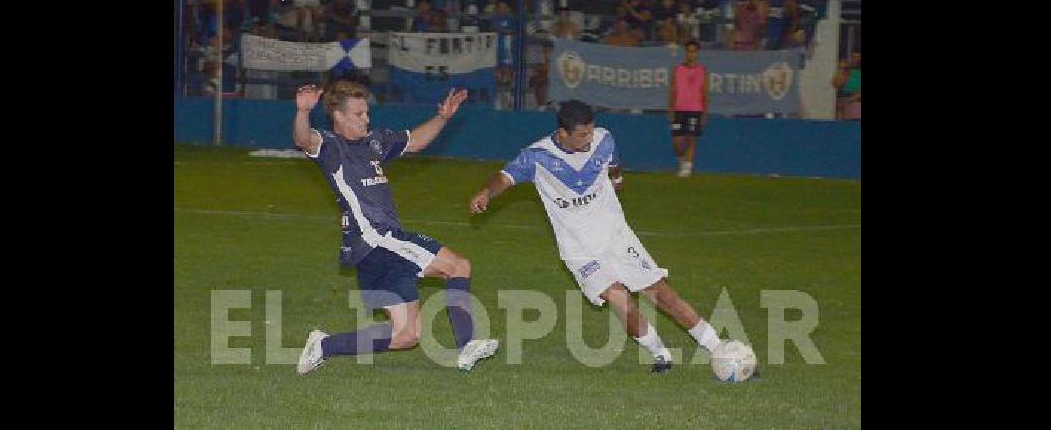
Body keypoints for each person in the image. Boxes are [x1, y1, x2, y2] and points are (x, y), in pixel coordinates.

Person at [468, 100, 739, 373]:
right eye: (582, 135)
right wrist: (486, 192)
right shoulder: (537, 157)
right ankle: (660, 354)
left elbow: (613, 165)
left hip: (617, 238)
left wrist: (618, 180)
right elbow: (503, 178)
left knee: (663, 296)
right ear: (563, 133)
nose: (589, 139)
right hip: (579, 252)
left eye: (591, 131)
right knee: (622, 302)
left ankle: (719, 349)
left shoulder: (604, 139)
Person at [293, 78, 499, 375]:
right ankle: (467, 343)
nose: (366, 119)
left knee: (406, 337)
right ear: (338, 116)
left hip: (371, 255)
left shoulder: (374, 142)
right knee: (458, 266)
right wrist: (302, 112)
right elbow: (303, 140)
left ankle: (325, 346)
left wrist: (442, 117)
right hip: (378, 239)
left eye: (367, 113)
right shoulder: (331, 148)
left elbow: (414, 141)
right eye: (358, 114)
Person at [668, 40, 710, 177]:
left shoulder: (702, 71)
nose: (691, 54)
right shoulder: (678, 69)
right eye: (689, 51)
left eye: (693, 51)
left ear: (697, 53)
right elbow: (673, 90)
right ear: (685, 53)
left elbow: (705, 93)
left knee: (691, 138)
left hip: (695, 109)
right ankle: (682, 161)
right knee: (677, 141)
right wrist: (670, 109)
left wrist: (704, 113)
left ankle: (687, 167)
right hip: (679, 108)